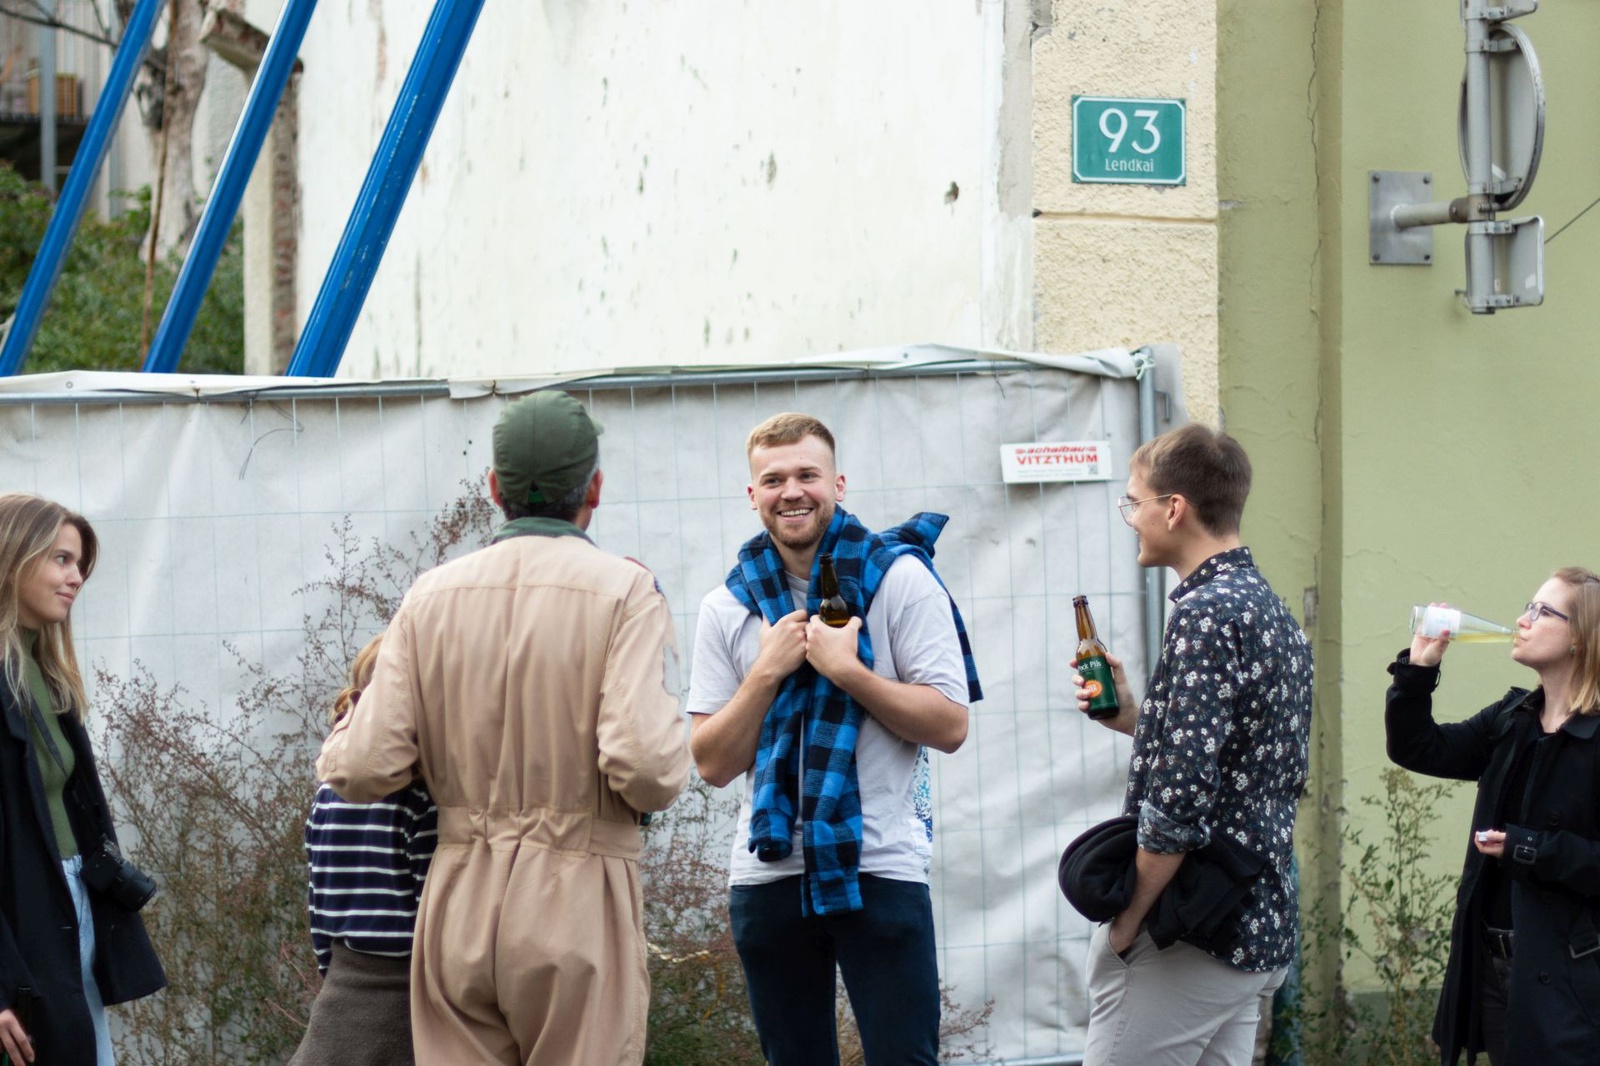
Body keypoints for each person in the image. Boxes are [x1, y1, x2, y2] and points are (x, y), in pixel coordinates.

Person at [317, 390, 690, 1065]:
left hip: (457, 900)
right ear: (595, 488)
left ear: (494, 488)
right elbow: (646, 769)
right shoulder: (626, 592)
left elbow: (363, 767)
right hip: (578, 896)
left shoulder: (430, 595)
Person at [686, 412, 982, 1065]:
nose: (792, 491)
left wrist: (848, 671)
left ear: (837, 484)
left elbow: (949, 724)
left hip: (878, 863)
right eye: (774, 479)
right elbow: (712, 763)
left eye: (807, 475)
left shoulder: (900, 580)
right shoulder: (727, 608)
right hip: (768, 872)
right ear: (753, 494)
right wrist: (766, 672)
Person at [1072, 423, 1312, 1066]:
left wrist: (1130, 920)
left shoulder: (1205, 613)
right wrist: (1138, 717)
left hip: (1190, 928)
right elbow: (1251, 758)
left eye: (1133, 502)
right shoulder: (1269, 609)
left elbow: (1180, 799)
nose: (1131, 518)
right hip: (1255, 920)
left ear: (1173, 508)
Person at [1385, 568, 1600, 1066]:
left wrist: (1528, 849)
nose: (1523, 620)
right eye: (1528, 606)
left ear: (1579, 637)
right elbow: (1419, 748)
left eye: (1542, 612)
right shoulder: (1512, 718)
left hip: (1571, 980)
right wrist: (1418, 671)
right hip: (1495, 967)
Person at [0, 493, 166, 1066]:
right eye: (61, 559)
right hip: (22, 924)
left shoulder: (43, 673)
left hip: (70, 908)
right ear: (12, 558)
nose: (76, 577)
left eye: (79, 564)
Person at [289, 631, 437, 1066]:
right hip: (403, 1004)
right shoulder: (421, 800)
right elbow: (436, 921)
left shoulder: (327, 794)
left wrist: (334, 971)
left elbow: (318, 907)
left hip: (339, 995)